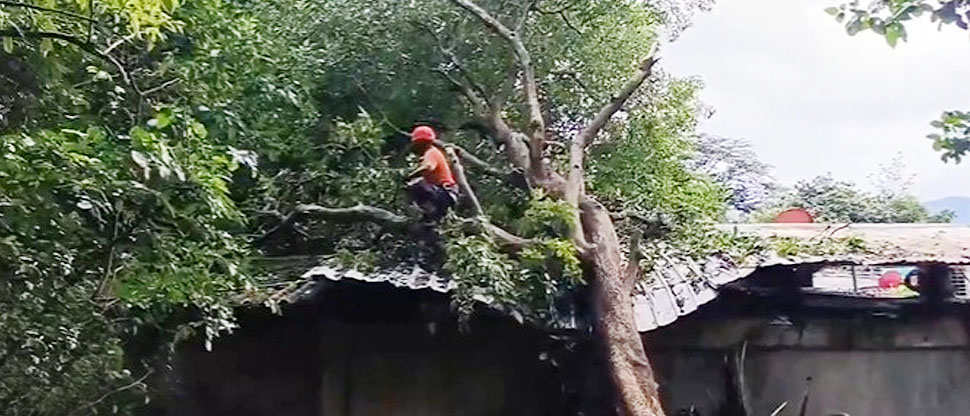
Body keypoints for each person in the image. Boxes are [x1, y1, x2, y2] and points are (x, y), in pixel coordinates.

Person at [405, 126, 458, 223]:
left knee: (416, 185)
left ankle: (430, 212)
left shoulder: (431, 152)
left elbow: (428, 167)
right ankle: (432, 216)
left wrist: (410, 175)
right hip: (444, 194)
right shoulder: (431, 153)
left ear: (420, 143)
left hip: (446, 193)